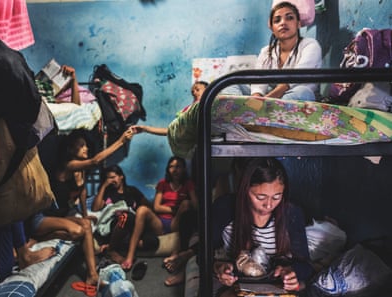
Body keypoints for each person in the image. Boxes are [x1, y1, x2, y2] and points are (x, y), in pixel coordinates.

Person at [26, 127, 135, 291]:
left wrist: (85, 214)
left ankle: (92, 275)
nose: (86, 149)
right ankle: (37, 237)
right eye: (81, 145)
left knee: (82, 228)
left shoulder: (80, 171)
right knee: (80, 229)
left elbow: (82, 192)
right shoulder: (67, 165)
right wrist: (121, 141)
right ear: (70, 149)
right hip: (42, 218)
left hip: (59, 217)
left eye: (86, 145)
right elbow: (95, 161)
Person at [212, 158, 313, 296]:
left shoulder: (291, 213)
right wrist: (218, 267)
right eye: (260, 197)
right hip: (236, 284)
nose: (269, 205)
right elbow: (204, 254)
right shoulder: (225, 208)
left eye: (277, 197)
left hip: (275, 284)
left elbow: (305, 265)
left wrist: (292, 272)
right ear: (245, 190)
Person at [224, 2, 322, 101]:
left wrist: (267, 101)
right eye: (277, 20)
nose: (283, 23)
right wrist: (256, 98)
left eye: (289, 18)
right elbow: (259, 81)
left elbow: (298, 76)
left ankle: (261, 112)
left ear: (298, 23)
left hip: (293, 94)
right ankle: (246, 112)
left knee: (303, 92)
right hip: (269, 96)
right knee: (229, 83)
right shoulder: (266, 51)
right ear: (272, 28)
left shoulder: (310, 45)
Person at [91, 164, 155, 264]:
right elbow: (95, 208)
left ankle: (117, 245)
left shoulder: (131, 191)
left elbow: (148, 206)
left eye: (113, 177)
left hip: (133, 228)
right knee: (125, 217)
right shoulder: (108, 193)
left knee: (153, 241)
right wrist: (103, 186)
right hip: (116, 225)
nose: (111, 181)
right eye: (107, 179)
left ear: (121, 177)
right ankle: (111, 250)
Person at [131, 81, 209, 136]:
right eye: (192, 91)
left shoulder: (211, 108)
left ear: (207, 91)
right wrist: (145, 129)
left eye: (197, 90)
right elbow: (171, 131)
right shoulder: (187, 111)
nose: (194, 93)